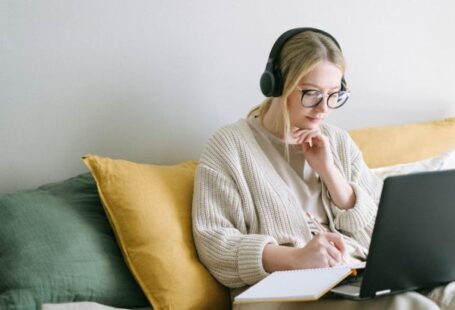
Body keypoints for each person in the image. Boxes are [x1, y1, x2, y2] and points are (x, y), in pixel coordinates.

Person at [192, 27, 454, 309]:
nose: (323, 109)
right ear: (278, 85)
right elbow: (215, 244)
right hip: (277, 293)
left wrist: (332, 175)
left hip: (352, 277)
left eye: (334, 94)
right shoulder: (229, 147)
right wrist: (295, 258)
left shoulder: (337, 141)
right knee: (409, 305)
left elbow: (384, 239)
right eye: (312, 94)